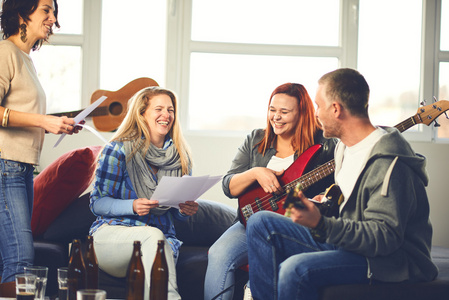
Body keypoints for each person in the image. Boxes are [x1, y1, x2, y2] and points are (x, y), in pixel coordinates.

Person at [246, 68, 439, 300]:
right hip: (350, 244)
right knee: (260, 222)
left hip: (389, 260)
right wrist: (318, 206)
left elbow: (384, 238)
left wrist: (320, 224)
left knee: (294, 269)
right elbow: (346, 203)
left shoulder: (390, 163)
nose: (315, 114)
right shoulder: (343, 148)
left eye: (318, 106)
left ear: (336, 109)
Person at [204, 83, 337, 300]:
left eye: (284, 112)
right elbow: (228, 185)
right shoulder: (256, 139)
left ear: (302, 113)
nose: (276, 117)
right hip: (250, 219)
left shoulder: (325, 143)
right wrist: (256, 172)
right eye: (272, 110)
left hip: (294, 223)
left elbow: (340, 186)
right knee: (219, 255)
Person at [0, 0, 82, 296]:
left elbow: (23, 113)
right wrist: (43, 121)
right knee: (20, 259)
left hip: (20, 167)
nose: (52, 18)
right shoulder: (5, 52)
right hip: (5, 165)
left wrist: (59, 123)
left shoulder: (25, 59)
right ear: (23, 13)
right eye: (46, 10)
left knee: (12, 260)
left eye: (54, 11)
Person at [89, 86, 199, 300]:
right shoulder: (118, 150)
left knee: (158, 240)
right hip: (112, 237)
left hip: (159, 240)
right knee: (155, 239)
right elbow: (97, 203)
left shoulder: (180, 158)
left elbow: (175, 213)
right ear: (142, 114)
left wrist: (185, 210)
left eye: (171, 110)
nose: (166, 115)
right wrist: (132, 205)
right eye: (159, 109)